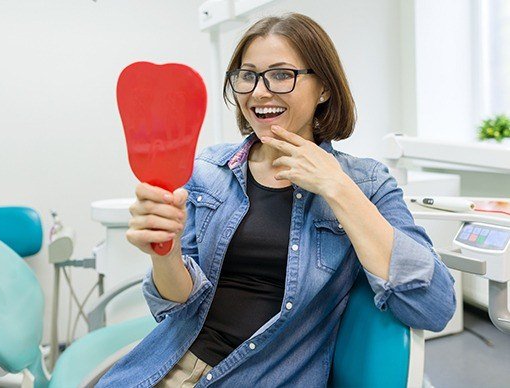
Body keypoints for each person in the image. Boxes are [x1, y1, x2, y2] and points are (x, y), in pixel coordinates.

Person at [97, 13, 456, 387]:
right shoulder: (206, 171)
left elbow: (434, 305)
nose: (259, 91)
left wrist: (337, 186)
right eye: (247, 75)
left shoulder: (366, 183)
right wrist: (164, 254)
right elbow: (175, 306)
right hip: (165, 367)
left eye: (282, 74)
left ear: (324, 88)